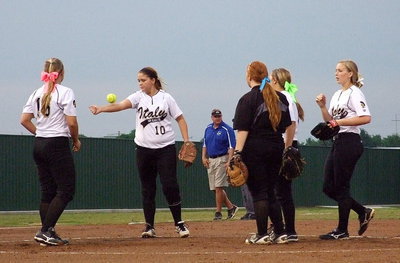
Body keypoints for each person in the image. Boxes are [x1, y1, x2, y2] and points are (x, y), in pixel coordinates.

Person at [89, 67, 190, 238]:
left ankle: (179, 224)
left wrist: (186, 140)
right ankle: (149, 226)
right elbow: (121, 105)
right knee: (148, 188)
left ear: (153, 80)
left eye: (143, 80)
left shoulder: (166, 98)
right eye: (138, 81)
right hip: (144, 150)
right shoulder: (138, 97)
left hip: (165, 148)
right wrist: (101, 109)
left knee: (170, 186)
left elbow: (180, 118)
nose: (140, 83)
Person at [20, 58, 81, 246]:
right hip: (56, 144)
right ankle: (45, 230)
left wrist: (41, 133)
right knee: (66, 189)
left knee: (48, 191)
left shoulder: (37, 92)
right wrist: (76, 139)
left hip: (39, 144)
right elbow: (71, 122)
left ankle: (48, 232)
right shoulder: (65, 91)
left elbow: (24, 120)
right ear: (61, 72)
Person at [233, 61, 291, 244]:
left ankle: (261, 234)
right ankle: (280, 232)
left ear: (249, 76)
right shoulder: (280, 98)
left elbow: (243, 130)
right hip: (276, 147)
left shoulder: (247, 99)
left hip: (255, 149)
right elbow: (286, 125)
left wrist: (237, 153)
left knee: (259, 192)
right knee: (271, 191)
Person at [315, 60, 375, 240]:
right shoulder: (337, 94)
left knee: (341, 186)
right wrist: (323, 107)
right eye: (336, 70)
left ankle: (342, 230)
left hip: (350, 141)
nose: (336, 73)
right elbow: (330, 121)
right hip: (338, 141)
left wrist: (338, 122)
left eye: (340, 70)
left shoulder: (355, 93)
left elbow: (366, 118)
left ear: (350, 73)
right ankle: (362, 211)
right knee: (328, 187)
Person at [270, 68, 305, 242]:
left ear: (276, 80)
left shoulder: (287, 98)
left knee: (283, 191)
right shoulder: (281, 97)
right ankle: (280, 227)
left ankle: (290, 230)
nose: (268, 81)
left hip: (286, 144)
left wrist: (286, 149)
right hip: (283, 144)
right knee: (278, 191)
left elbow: (290, 125)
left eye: (270, 78)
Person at [202, 109, 239, 220]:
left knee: (218, 187)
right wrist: (203, 157)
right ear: (212, 117)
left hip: (222, 158)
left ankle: (218, 213)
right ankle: (231, 207)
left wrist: (229, 161)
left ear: (221, 116)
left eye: (219, 116)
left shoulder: (226, 129)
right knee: (214, 188)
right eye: (215, 116)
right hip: (211, 159)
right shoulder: (208, 128)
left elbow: (232, 146)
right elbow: (205, 144)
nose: (217, 118)